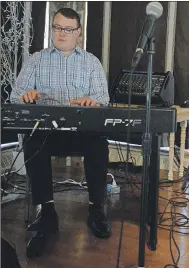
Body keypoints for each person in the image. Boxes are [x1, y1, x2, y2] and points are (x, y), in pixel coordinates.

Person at [10, 7, 111, 258]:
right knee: (33, 143)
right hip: (47, 132)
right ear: (51, 29)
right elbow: (14, 96)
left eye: (68, 29)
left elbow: (104, 99)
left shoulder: (91, 62)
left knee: (99, 144)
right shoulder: (36, 60)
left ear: (78, 32)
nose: (62, 34)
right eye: (57, 28)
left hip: (82, 132)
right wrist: (27, 96)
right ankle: (47, 212)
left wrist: (92, 101)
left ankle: (96, 209)